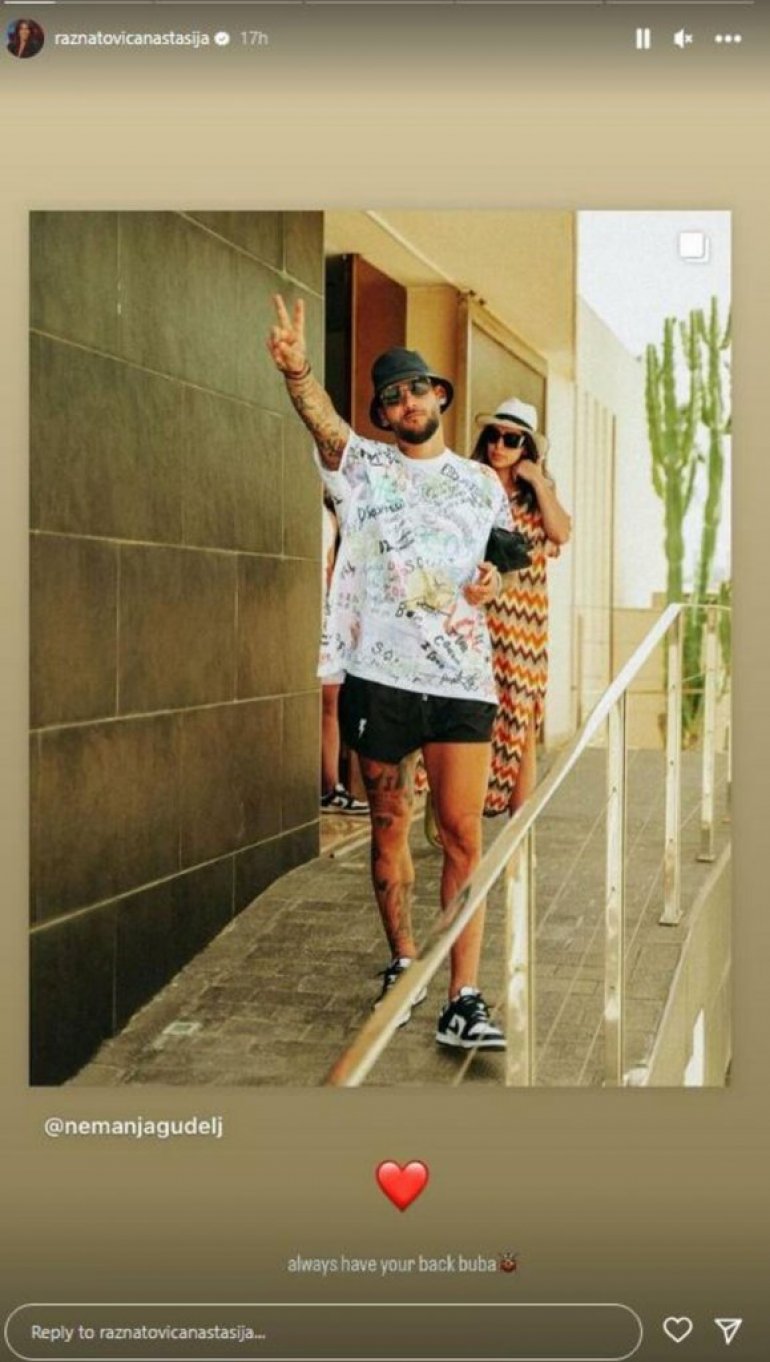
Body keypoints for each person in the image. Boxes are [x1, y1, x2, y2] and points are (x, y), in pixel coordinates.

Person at [267, 295, 512, 1050]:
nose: (407, 402)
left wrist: (492, 583)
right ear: (383, 412)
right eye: (393, 396)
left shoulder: (481, 483)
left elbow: (502, 560)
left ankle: (463, 996)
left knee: (463, 835)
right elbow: (323, 423)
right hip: (381, 677)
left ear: (439, 396)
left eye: (417, 389)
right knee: (390, 824)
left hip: (462, 681)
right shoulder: (363, 467)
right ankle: (404, 961)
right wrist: (298, 372)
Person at [471, 398, 571, 817]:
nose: (499, 446)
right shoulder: (471, 482)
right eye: (493, 436)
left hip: (524, 626)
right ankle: (462, 817)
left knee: (522, 719)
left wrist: (539, 482)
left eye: (511, 440)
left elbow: (560, 533)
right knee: (473, 717)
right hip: (476, 615)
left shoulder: (536, 495)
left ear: (526, 448)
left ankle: (519, 831)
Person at [320, 493, 368, 815]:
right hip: (306, 612)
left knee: (331, 701)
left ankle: (331, 786)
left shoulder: (330, 514)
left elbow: (333, 567)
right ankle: (325, 787)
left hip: (328, 617)